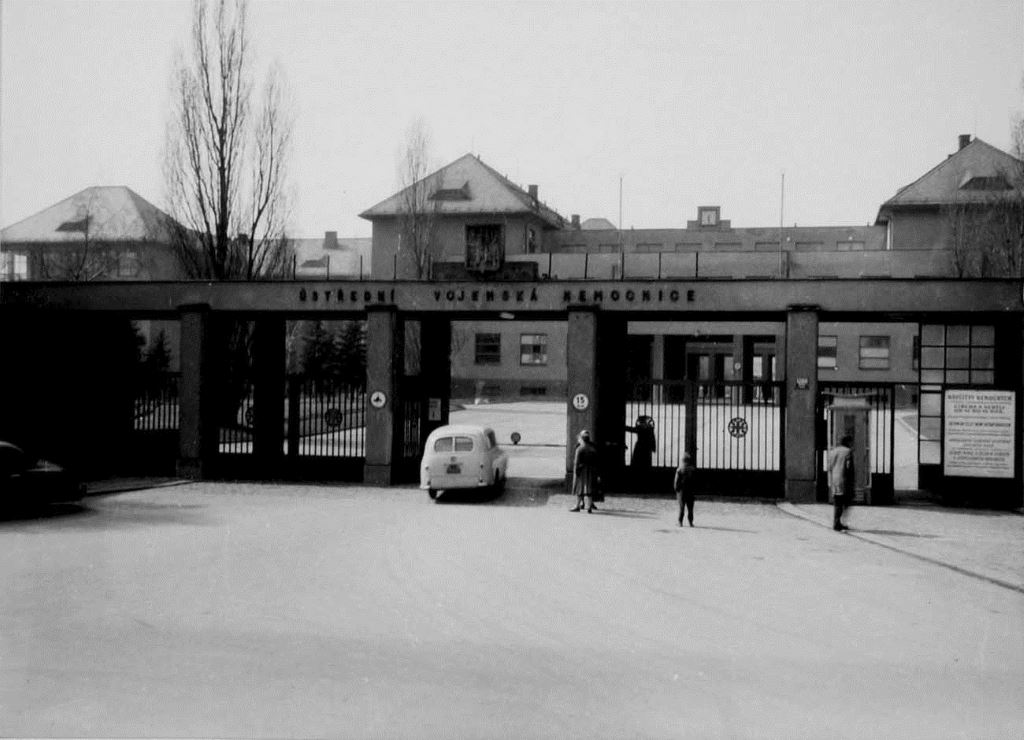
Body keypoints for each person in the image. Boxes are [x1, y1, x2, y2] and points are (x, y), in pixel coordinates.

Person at [827, 435, 854, 531]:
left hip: (834, 480)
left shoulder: (833, 451)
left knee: (837, 502)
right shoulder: (848, 452)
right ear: (848, 442)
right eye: (851, 442)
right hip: (844, 480)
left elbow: (829, 467)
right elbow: (848, 467)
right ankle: (838, 523)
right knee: (845, 502)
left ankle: (837, 522)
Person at [570, 430, 600, 513]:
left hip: (581, 471)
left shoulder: (579, 448)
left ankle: (577, 506)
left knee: (579, 489)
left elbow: (576, 462)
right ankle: (589, 506)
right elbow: (597, 461)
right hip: (591, 471)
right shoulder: (593, 448)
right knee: (589, 489)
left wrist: (576, 471)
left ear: (582, 439)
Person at [673, 452, 696, 527]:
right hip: (691, 491)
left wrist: (676, 489)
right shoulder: (693, 469)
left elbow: (676, 482)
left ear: (682, 460)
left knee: (681, 507)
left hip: (681, 492)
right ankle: (690, 522)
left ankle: (680, 522)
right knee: (690, 508)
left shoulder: (679, 469)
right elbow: (696, 481)